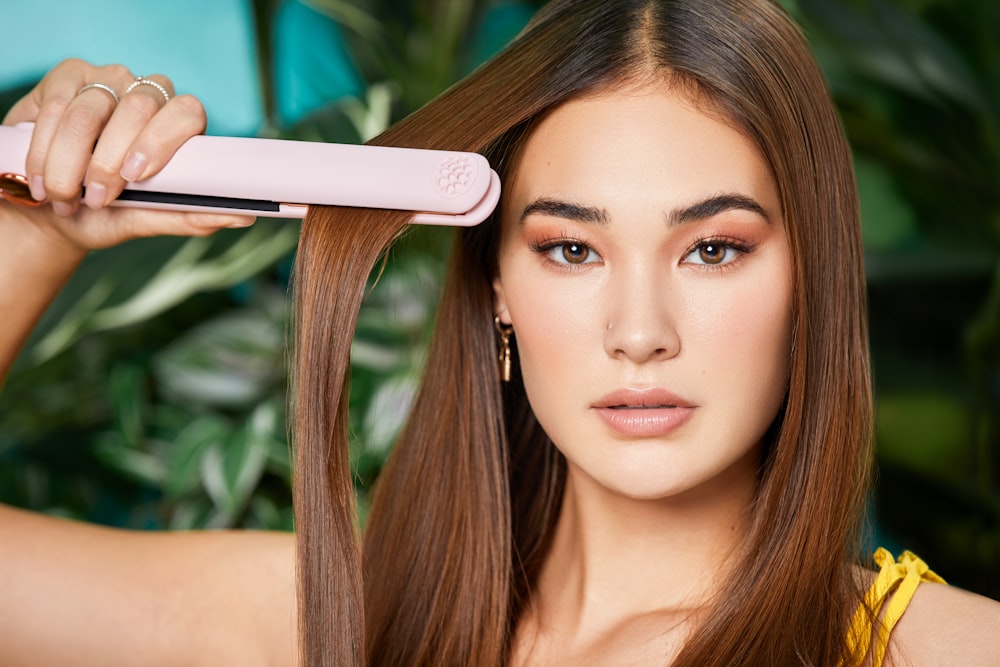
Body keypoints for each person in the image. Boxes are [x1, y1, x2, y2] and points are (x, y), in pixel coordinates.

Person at [1, 1, 998, 666]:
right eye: (571, 250)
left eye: (713, 248)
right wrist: (29, 238)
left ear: (811, 278)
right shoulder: (324, 624)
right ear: (495, 290)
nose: (639, 332)